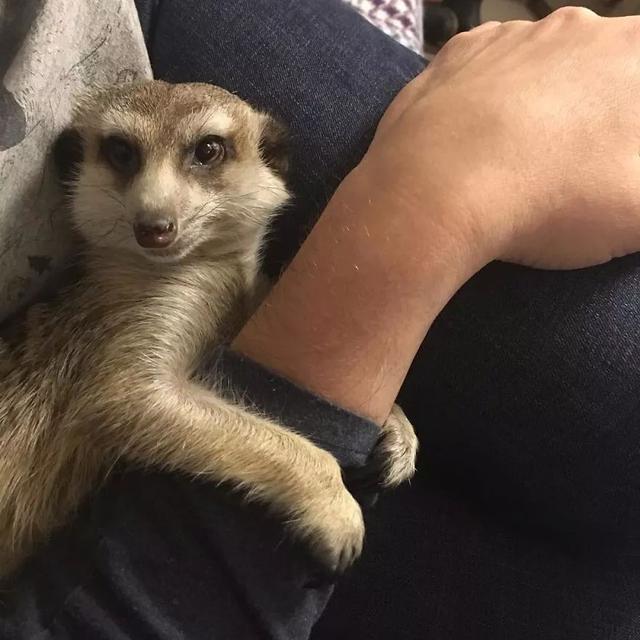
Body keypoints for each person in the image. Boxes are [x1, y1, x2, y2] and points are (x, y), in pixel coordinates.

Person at [2, 1, 640, 638]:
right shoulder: (124, 289)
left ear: (268, 162)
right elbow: (130, 403)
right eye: (121, 155)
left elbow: (222, 372)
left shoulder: (232, 276)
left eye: (208, 153)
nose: (154, 202)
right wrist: (306, 469)